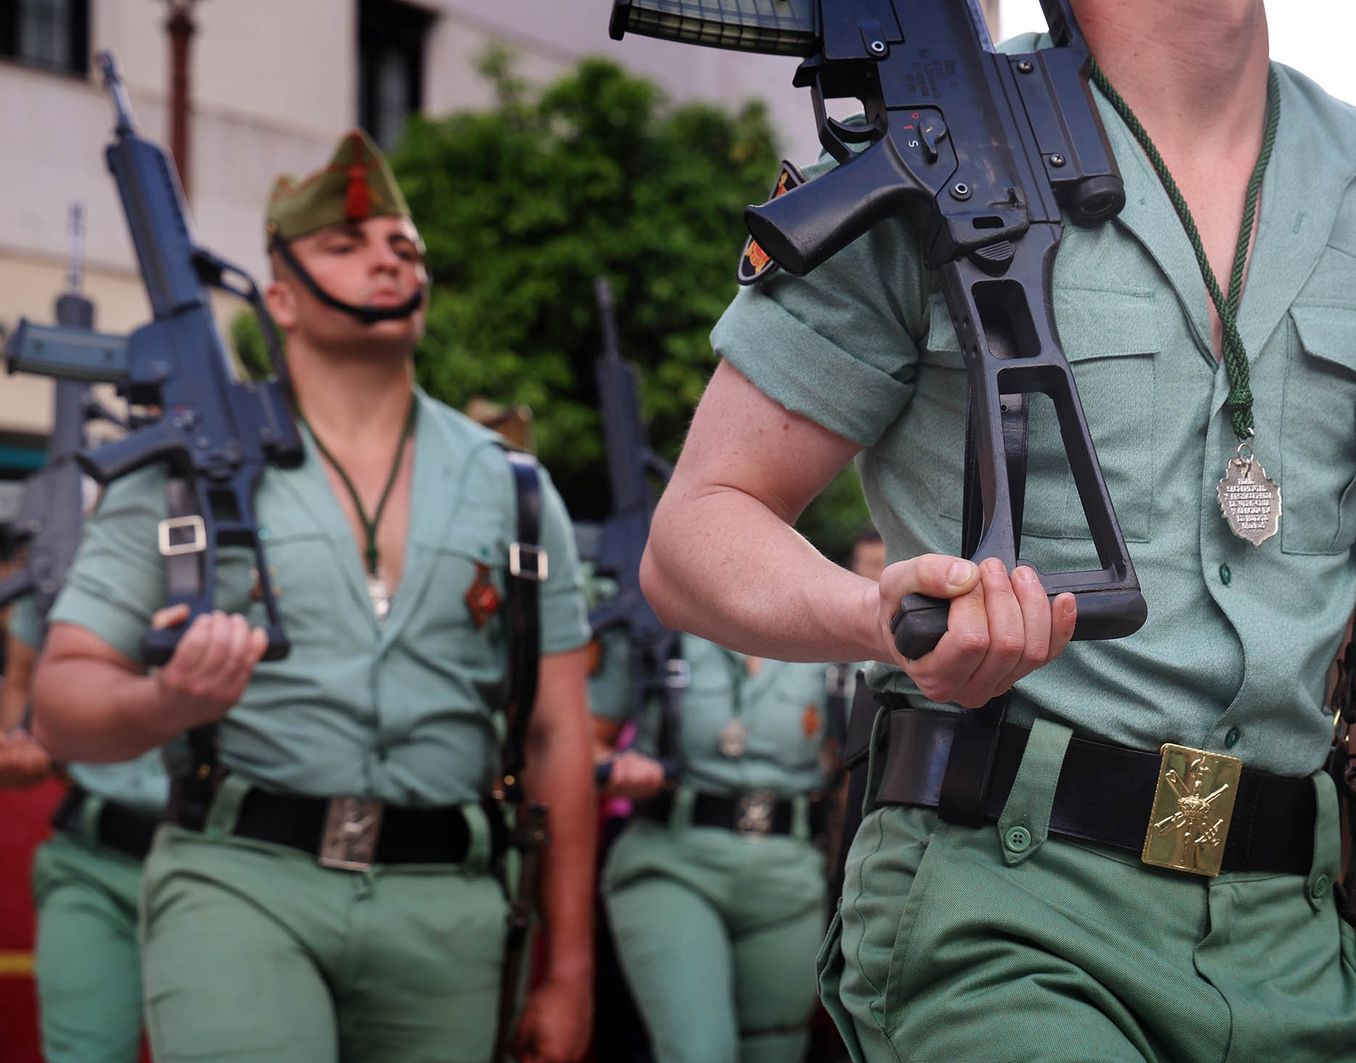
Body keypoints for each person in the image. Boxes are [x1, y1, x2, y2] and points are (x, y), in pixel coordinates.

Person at [639, 3, 1356, 1060]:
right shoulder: (933, 137)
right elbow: (696, 529)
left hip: (1292, 933)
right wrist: (878, 619)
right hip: (1009, 905)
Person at [29, 130, 595, 1063]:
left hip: (450, 908)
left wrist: (569, 969)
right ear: (280, 295)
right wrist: (165, 701)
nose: (385, 257)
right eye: (347, 243)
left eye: (403, 246)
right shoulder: (186, 469)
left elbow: (556, 734)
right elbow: (64, 700)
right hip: (241, 879)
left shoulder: (517, 489)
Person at [593, 611, 834, 1063]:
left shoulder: (828, 629)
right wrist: (617, 768)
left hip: (790, 877)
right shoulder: (652, 623)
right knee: (699, 1052)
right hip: (671, 861)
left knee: (778, 1053)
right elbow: (580, 741)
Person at [1, 593, 166, 1063]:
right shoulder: (69, 554)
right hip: (94, 857)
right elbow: (20, 675)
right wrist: (22, 744)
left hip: (236, 856)